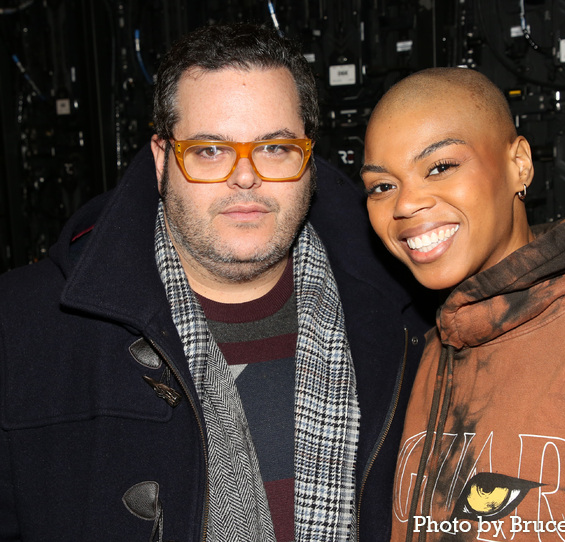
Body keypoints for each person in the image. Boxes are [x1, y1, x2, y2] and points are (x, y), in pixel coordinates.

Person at [0, 23, 432, 542]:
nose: (244, 176)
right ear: (162, 159)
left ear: (308, 159)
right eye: (209, 150)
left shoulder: (410, 324)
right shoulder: (21, 326)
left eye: (274, 148)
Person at [360, 67, 565, 542]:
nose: (406, 204)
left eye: (440, 166)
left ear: (520, 164)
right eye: (382, 185)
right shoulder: (428, 351)